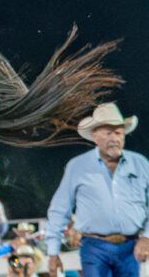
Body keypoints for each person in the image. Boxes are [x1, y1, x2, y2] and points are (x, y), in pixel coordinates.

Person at [46, 102, 149, 277]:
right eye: (108, 133)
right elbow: (60, 208)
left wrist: (146, 237)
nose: (114, 138)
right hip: (95, 246)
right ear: (94, 137)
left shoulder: (140, 164)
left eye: (118, 132)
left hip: (131, 246)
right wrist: (53, 251)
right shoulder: (78, 166)